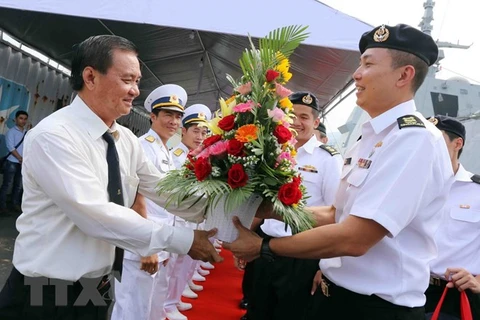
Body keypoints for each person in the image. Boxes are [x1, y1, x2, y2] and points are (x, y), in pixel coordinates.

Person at [224, 24, 454, 320]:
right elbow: (337, 213)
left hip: (375, 310)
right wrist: (271, 210)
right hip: (337, 296)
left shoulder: (414, 139)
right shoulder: (369, 138)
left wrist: (264, 247)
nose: (356, 74)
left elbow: (355, 238)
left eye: (368, 64)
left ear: (404, 74)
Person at [0, 35, 221, 320]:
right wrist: (185, 240)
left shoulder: (124, 139)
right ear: (90, 76)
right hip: (45, 290)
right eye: (128, 79)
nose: (135, 91)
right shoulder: (54, 136)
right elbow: (96, 214)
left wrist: (222, 209)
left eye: (137, 81)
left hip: (96, 286)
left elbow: (163, 189)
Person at [244, 91, 342, 320]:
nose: (297, 122)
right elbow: (260, 203)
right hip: (265, 248)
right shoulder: (272, 152)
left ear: (316, 122)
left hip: (302, 255)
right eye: (292, 116)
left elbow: (335, 215)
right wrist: (246, 235)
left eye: (305, 117)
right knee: (257, 311)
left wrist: (324, 266)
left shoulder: (327, 159)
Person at [111, 84, 188, 320]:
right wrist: (147, 247)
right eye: (167, 115)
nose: (173, 122)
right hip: (143, 244)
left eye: (177, 116)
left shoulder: (163, 148)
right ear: (152, 117)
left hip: (159, 240)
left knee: (150, 306)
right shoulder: (143, 145)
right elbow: (136, 198)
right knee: (132, 308)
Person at [424, 115, 480, 319]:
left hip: (454, 296)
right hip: (408, 287)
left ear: (458, 144)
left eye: (436, 141)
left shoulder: (477, 191)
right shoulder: (412, 186)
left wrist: (478, 282)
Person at [165, 103, 212, 320]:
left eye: (204, 132)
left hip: (191, 219)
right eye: (195, 131)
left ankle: (174, 299)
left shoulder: (198, 156)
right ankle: (167, 304)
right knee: (172, 265)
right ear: (183, 131)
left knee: (182, 263)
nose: (200, 136)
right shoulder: (176, 156)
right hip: (176, 219)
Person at [0, 110, 28, 214]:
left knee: (18, 185)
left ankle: (14, 204)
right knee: (7, 184)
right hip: (11, 162)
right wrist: (21, 158)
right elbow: (11, 147)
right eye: (21, 118)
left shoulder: (26, 133)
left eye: (25, 119)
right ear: (16, 119)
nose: (23, 121)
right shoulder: (11, 132)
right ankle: (2, 206)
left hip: (22, 164)